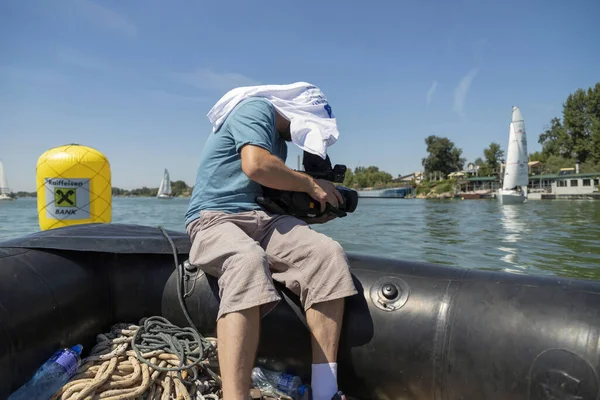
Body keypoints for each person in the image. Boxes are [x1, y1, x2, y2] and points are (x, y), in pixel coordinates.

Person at [184, 83, 357, 400]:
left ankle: (325, 391)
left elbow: (265, 190)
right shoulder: (255, 108)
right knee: (247, 260)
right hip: (214, 218)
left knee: (327, 254)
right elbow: (256, 165)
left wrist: (314, 210)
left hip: (261, 218)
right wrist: (310, 184)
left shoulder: (277, 138)